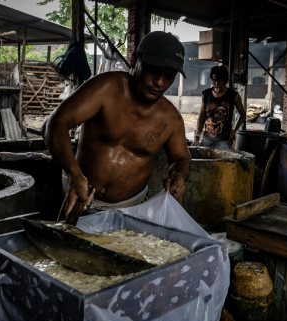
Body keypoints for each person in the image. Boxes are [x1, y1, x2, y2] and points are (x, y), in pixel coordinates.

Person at [42, 31, 191, 216]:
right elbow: (55, 123)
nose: (159, 82)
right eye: (153, 70)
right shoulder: (106, 88)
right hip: (81, 200)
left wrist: (179, 175)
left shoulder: (171, 119)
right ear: (134, 60)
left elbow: (182, 159)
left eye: (169, 76)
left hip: (133, 208)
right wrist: (74, 173)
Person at [191, 66, 246, 148]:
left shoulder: (233, 95)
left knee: (222, 161)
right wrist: (197, 137)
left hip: (225, 140)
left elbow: (243, 114)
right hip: (207, 139)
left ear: (225, 80)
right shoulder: (206, 94)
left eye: (219, 80)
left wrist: (234, 131)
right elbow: (201, 116)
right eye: (214, 80)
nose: (216, 83)